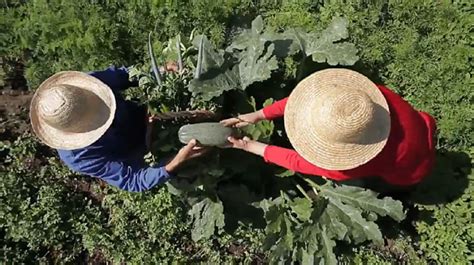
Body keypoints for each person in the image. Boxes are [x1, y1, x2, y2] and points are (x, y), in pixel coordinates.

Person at [221, 68, 436, 186]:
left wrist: (248, 146)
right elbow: (301, 100)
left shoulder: (344, 168)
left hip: (411, 167)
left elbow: (296, 161)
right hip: (421, 125)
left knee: (380, 179)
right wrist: (259, 114)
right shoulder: (368, 99)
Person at [29, 66, 207, 192]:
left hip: (148, 114)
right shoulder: (79, 157)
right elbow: (133, 180)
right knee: (191, 170)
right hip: (147, 152)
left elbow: (126, 74)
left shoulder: (84, 89)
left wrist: (158, 71)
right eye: (97, 123)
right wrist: (175, 162)